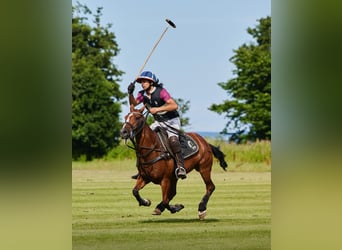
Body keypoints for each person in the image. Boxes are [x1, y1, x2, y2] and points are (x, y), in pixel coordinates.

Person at [127, 71, 187, 179]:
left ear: (151, 82)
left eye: (145, 81)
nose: (142, 83)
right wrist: (130, 93)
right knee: (144, 139)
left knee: (173, 140)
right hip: (158, 122)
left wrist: (158, 109)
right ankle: (141, 168)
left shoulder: (161, 92)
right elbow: (133, 104)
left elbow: (174, 105)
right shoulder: (142, 94)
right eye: (141, 82)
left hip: (171, 121)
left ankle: (180, 167)